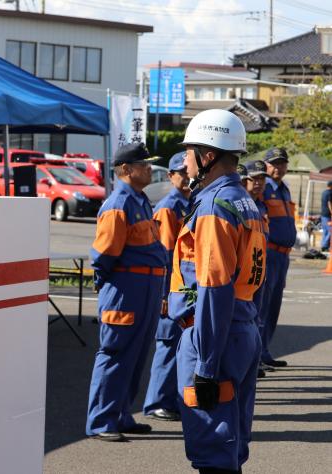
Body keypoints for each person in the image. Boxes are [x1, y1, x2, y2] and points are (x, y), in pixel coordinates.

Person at [169, 109, 266, 473]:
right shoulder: (244, 201)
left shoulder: (212, 206)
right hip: (242, 328)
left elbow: (214, 286)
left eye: (190, 152)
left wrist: (206, 366)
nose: (186, 162)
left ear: (208, 156)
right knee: (231, 445)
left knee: (212, 448)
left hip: (213, 336)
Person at [86, 142, 167, 442]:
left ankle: (120, 415)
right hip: (125, 288)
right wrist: (108, 284)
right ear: (125, 170)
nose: (149, 168)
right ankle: (101, 421)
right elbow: (103, 255)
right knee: (115, 353)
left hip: (144, 287)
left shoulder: (140, 200)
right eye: (143, 164)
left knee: (135, 355)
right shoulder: (119, 204)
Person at [143, 152, 191, 422]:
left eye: (187, 171)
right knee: (167, 343)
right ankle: (157, 401)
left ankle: (169, 399)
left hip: (183, 286)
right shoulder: (169, 206)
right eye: (179, 173)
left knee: (178, 344)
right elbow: (164, 253)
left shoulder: (188, 202)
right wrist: (163, 294)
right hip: (171, 285)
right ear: (171, 176)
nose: (185, 177)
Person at [259, 147, 296, 369]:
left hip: (284, 257)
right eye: (274, 163)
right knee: (262, 305)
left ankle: (265, 351)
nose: (278, 167)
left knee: (274, 306)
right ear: (265, 166)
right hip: (269, 253)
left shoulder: (285, 189)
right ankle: (257, 354)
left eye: (282, 163)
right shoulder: (263, 189)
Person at [240, 160, 271, 379]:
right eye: (254, 179)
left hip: (260, 267)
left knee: (259, 317)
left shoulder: (260, 206)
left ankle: (255, 359)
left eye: (262, 178)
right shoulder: (240, 206)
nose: (258, 183)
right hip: (245, 273)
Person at [321, 180, 332, 252]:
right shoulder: (330, 193)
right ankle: (325, 246)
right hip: (328, 214)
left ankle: (323, 245)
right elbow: (329, 203)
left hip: (323, 214)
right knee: (330, 231)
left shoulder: (324, 192)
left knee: (325, 230)